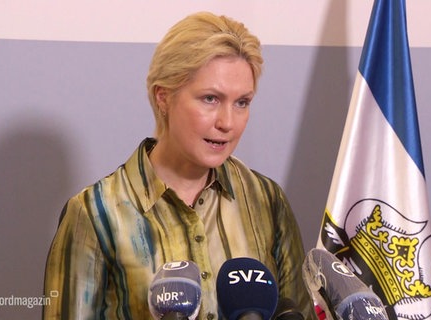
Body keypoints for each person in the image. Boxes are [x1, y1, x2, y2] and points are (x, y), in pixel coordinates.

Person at [43, 11, 313, 319]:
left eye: (242, 103)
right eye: (210, 98)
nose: (228, 123)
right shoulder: (95, 213)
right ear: (163, 97)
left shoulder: (266, 200)